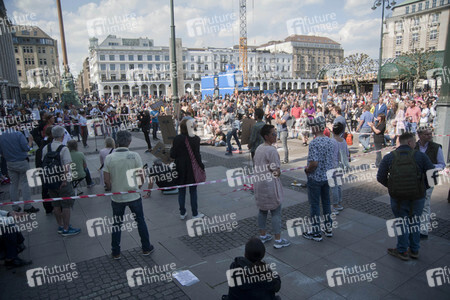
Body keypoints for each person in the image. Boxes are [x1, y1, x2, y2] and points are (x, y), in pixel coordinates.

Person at [377, 132, 434, 260]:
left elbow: (380, 177)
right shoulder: (421, 156)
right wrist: (423, 187)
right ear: (409, 143)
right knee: (415, 222)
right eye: (414, 141)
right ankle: (414, 250)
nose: (416, 143)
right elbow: (433, 176)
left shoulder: (389, 157)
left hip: (398, 197)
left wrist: (392, 186)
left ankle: (402, 251)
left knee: (402, 223)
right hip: (417, 197)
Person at [103, 130, 154, 259]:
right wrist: (138, 186)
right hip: (133, 195)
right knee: (140, 221)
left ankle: (116, 251)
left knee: (117, 224)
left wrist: (112, 188)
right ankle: (146, 247)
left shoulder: (109, 158)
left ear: (116, 142)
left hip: (117, 197)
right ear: (129, 142)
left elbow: (106, 180)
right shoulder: (135, 156)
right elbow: (141, 176)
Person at [254, 124, 290, 249]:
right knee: (276, 211)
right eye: (273, 134)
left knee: (262, 211)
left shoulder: (259, 148)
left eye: (276, 133)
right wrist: (279, 172)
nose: (276, 136)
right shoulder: (271, 150)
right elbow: (275, 171)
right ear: (266, 136)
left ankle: (263, 235)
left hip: (259, 183)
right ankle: (278, 239)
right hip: (269, 185)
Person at [42, 126, 80, 236]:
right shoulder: (63, 148)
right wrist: (64, 180)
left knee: (56, 204)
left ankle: (60, 225)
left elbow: (43, 163)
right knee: (66, 204)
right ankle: (67, 228)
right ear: (63, 135)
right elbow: (66, 166)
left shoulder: (46, 148)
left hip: (50, 179)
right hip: (62, 181)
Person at [303, 117, 336, 242]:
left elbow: (314, 163)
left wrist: (307, 170)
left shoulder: (314, 143)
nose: (311, 129)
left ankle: (316, 232)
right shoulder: (330, 141)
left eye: (312, 127)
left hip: (315, 178)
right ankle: (328, 228)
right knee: (327, 203)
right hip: (326, 177)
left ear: (316, 128)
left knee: (315, 205)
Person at [0, 120, 39, 213]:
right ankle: (27, 205)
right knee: (25, 183)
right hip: (21, 161)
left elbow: (1, 152)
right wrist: (30, 141)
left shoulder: (1, 136)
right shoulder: (18, 134)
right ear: (16, 125)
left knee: (13, 184)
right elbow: (26, 148)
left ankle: (15, 206)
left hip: (9, 162)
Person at [170, 119, 205, 219]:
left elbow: (173, 155)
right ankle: (195, 213)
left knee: (181, 191)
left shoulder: (177, 139)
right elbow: (197, 155)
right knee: (193, 191)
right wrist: (201, 166)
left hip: (180, 167)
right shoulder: (196, 139)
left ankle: (182, 213)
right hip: (192, 169)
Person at [415, 127, 445, 240]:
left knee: (425, 204)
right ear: (420, 135)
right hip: (416, 179)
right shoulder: (414, 146)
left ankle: (423, 231)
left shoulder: (436, 147)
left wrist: (430, 166)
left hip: (429, 178)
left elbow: (442, 164)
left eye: (430, 134)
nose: (430, 136)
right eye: (427, 134)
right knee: (414, 203)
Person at [330, 123, 349, 215]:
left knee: (334, 186)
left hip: (333, 166)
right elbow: (347, 153)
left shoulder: (332, 141)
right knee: (339, 185)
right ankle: (339, 202)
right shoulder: (343, 141)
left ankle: (335, 205)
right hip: (341, 165)